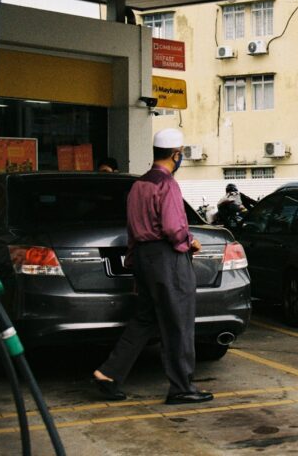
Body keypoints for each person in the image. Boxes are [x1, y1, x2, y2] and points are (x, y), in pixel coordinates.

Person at [92, 129, 212, 405]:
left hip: (144, 258)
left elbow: (133, 228)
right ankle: (182, 387)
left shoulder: (138, 185)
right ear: (176, 155)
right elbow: (172, 228)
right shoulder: (167, 185)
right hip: (167, 257)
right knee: (178, 321)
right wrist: (188, 241)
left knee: (145, 318)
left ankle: (108, 373)